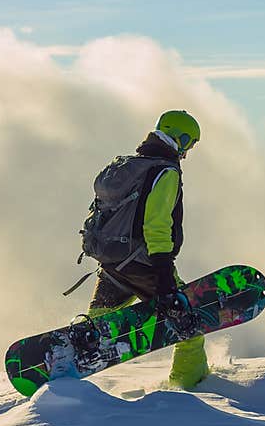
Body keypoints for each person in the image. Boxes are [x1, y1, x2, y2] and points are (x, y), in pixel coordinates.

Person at [85, 110, 208, 389]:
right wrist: (164, 276)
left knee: (98, 324)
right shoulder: (165, 172)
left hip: (113, 261)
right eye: (189, 142)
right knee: (191, 327)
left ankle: (64, 363)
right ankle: (191, 390)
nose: (188, 150)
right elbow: (157, 226)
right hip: (145, 265)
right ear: (180, 137)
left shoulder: (132, 167)